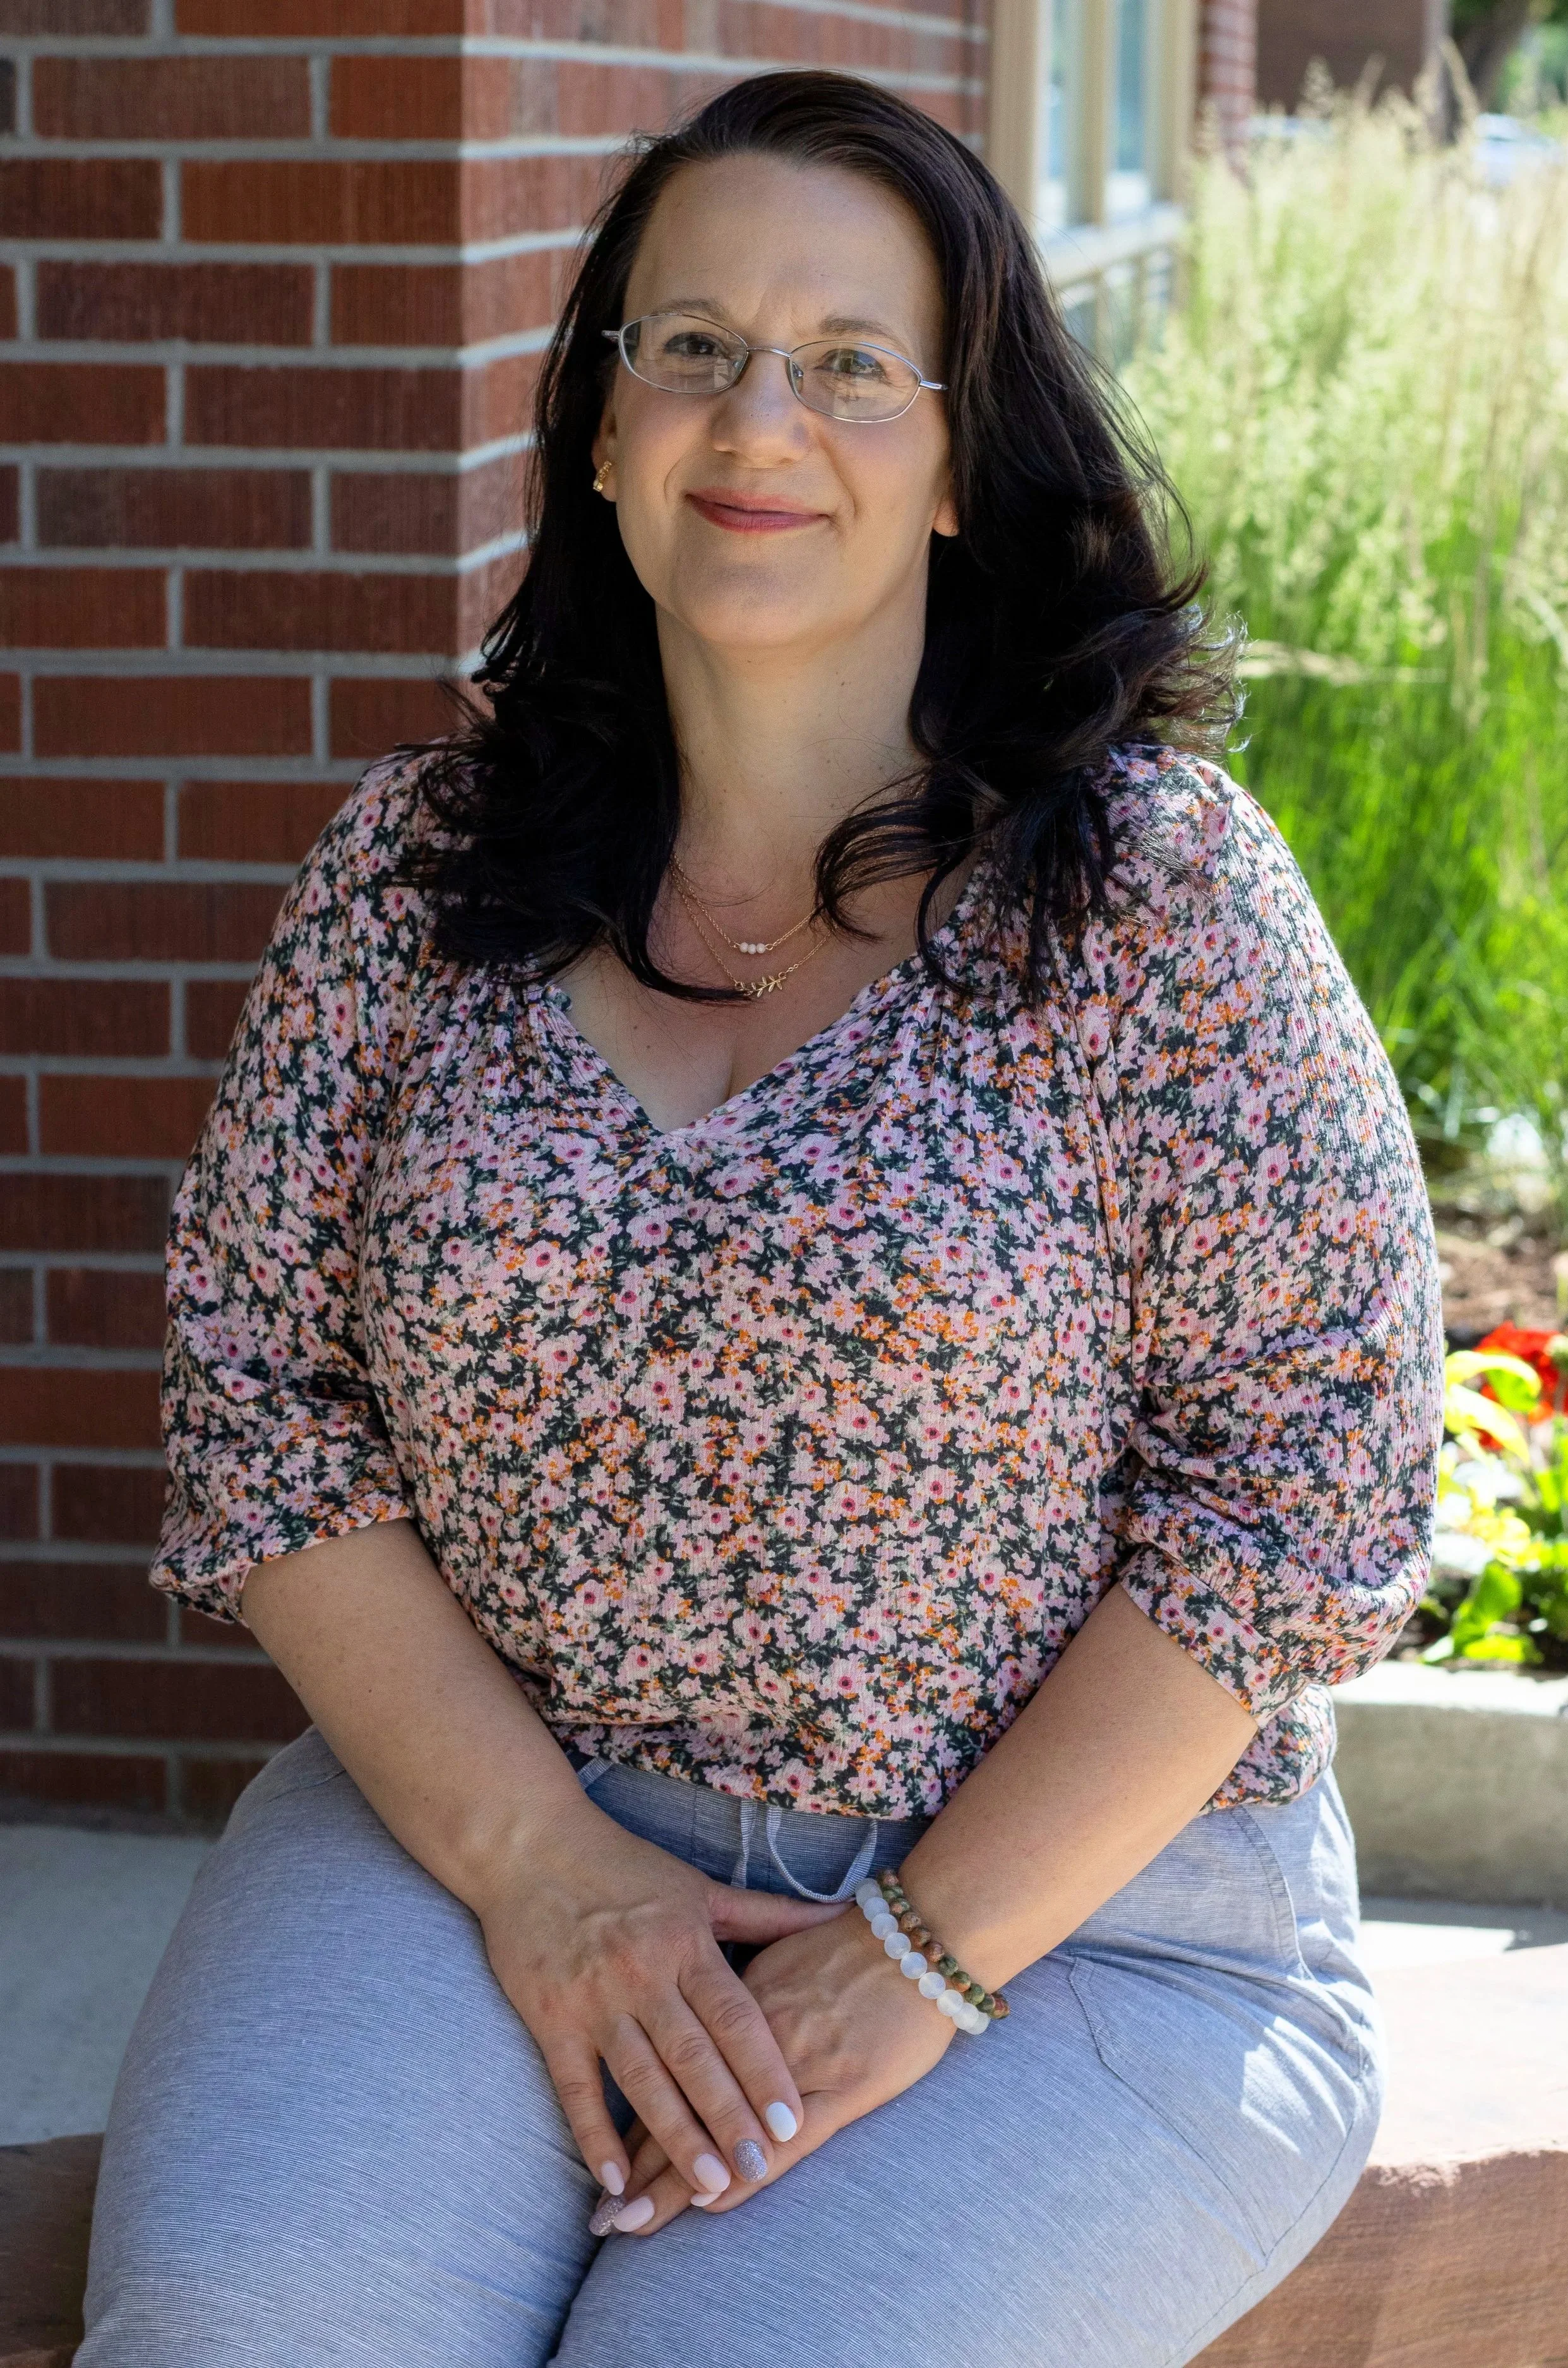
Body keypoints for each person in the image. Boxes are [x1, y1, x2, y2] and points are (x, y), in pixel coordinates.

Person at [78, 69, 1442, 2368]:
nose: (755, 415)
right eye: (688, 345)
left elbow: (1302, 1486)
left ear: (954, 459)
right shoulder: (414, 879)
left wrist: (915, 1951)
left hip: (1089, 1927)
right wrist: (539, 1864)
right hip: (477, 1826)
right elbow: (263, 1403)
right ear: (602, 431)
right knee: (251, 2329)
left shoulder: (1151, 897)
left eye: (845, 361)